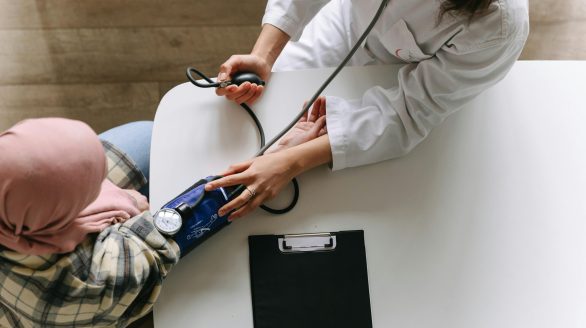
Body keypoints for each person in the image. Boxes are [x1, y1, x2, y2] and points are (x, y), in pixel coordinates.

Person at [207, 0, 530, 220]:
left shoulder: (497, 25)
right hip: (344, 25)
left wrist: (291, 162)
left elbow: (410, 112)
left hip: (421, 73)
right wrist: (264, 55)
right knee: (252, 124)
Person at [0, 118, 180, 327]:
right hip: (65, 313)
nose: (104, 185)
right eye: (96, 188)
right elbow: (151, 253)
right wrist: (133, 206)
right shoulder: (77, 286)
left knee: (150, 134)